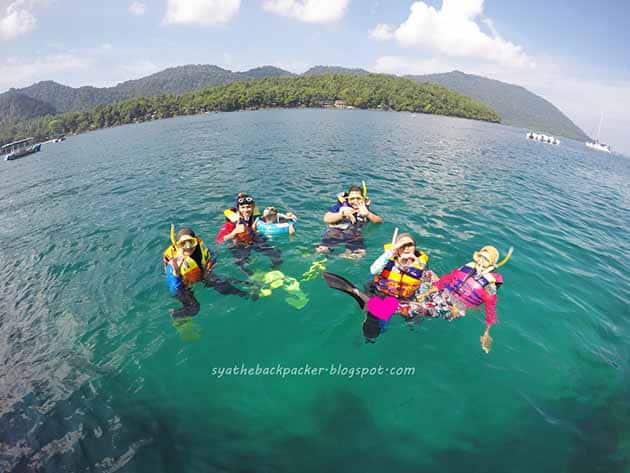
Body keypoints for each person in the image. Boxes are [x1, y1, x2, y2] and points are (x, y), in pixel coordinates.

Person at [418, 245, 511, 353]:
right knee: (426, 275)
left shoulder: (489, 285)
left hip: (457, 308)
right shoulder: (468, 267)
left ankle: (413, 311)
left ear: (491, 263)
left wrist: (486, 333)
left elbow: (490, 309)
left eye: (486, 259)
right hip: (446, 293)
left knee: (421, 309)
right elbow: (446, 279)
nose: (481, 261)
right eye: (481, 256)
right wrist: (426, 293)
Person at [163, 226, 249, 318]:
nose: (188, 247)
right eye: (183, 243)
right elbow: (174, 289)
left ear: (195, 241)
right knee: (194, 308)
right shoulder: (173, 263)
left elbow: (212, 255)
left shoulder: (200, 248)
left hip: (201, 274)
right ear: (178, 245)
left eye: (191, 242)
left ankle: (246, 294)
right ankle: (174, 315)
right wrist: (176, 273)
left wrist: (210, 265)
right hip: (184, 285)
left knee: (224, 286)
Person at [367, 232, 437, 318]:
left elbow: (435, 284)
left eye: (410, 244)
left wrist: (423, 295)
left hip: (405, 298)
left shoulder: (420, 265)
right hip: (380, 293)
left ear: (414, 247)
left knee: (413, 316)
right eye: (402, 245)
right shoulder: (388, 259)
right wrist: (392, 250)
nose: (406, 248)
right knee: (375, 317)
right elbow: (373, 270)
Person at [215, 193, 282, 274]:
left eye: (248, 207)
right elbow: (219, 240)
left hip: (254, 238)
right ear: (238, 209)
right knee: (241, 264)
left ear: (253, 207)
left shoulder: (255, 217)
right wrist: (234, 232)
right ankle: (252, 280)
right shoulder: (232, 224)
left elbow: (272, 217)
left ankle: (275, 271)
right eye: (243, 208)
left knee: (276, 254)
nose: (246, 210)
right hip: (240, 244)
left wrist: (287, 217)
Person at [316, 184, 382, 259]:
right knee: (322, 250)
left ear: (363, 199)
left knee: (359, 255)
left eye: (358, 198)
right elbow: (326, 218)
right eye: (352, 199)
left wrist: (368, 214)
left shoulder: (365, 210)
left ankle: (339, 257)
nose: (355, 201)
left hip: (355, 236)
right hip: (336, 232)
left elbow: (379, 221)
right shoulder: (340, 207)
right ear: (347, 199)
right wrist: (342, 214)